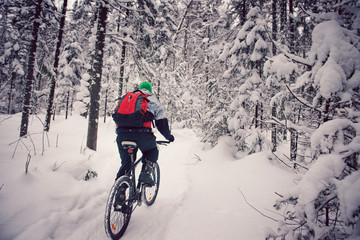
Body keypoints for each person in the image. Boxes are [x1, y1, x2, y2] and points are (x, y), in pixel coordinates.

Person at [114, 81, 175, 186]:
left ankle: (119, 192)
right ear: (150, 90)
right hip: (142, 134)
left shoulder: (128, 98)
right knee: (152, 150)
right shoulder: (152, 100)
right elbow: (161, 123)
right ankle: (146, 173)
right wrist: (168, 136)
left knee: (126, 163)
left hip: (122, 135)